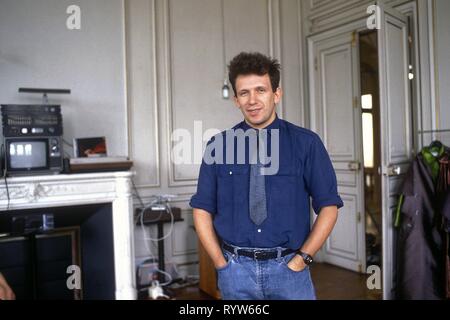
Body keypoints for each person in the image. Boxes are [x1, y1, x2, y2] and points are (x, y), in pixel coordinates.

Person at [190, 52, 343, 300]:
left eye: (260, 90)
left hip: (290, 271)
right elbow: (201, 209)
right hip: (235, 273)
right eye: (244, 93)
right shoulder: (218, 146)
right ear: (236, 100)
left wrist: (301, 260)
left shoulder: (306, 144)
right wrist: (221, 265)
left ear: (276, 94)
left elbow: (329, 206)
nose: (252, 100)